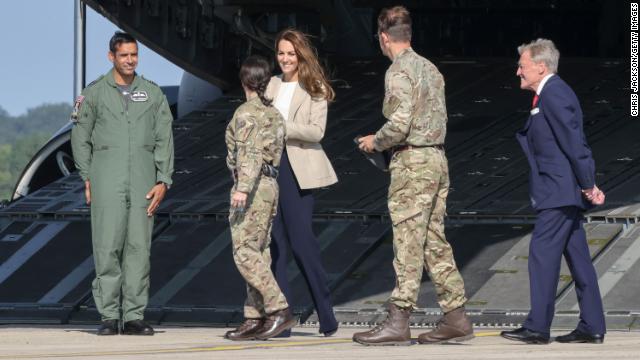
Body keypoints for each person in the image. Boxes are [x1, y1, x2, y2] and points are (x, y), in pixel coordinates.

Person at [354, 6, 473, 345]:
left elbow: (400, 123)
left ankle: (399, 318)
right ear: (409, 35)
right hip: (437, 158)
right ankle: (456, 316)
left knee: (407, 240)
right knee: (434, 240)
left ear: (383, 37)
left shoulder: (398, 71)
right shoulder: (431, 69)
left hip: (413, 164)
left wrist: (375, 141)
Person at [501, 39, 606, 344]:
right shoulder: (546, 95)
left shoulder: (555, 93)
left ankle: (537, 326)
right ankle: (593, 325)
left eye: (522, 65)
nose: (518, 71)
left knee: (542, 254)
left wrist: (589, 183)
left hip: (558, 191)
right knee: (578, 259)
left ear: (541, 66)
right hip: (561, 189)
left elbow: (575, 143)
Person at [70, 31, 174, 336]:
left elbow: (163, 139)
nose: (130, 60)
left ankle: (133, 316)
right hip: (106, 178)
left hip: (143, 179)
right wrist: (87, 176)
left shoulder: (153, 94)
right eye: (124, 55)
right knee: (107, 246)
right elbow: (80, 138)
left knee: (139, 248)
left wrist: (163, 179)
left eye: (134, 55)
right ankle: (108, 316)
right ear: (111, 56)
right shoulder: (93, 94)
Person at [264, 28, 339, 337]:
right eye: (281, 53)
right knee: (276, 246)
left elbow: (316, 131)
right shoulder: (270, 85)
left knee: (301, 243)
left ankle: (326, 313)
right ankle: (282, 318)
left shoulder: (314, 86)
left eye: (290, 54)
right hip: (270, 169)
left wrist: (281, 126)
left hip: (298, 171)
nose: (285, 59)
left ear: (300, 55)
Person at [224, 55, 296, 341]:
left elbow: (250, 154)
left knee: (244, 251)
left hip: (252, 186)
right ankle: (255, 316)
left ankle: (279, 308)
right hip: (269, 185)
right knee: (260, 252)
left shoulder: (246, 114)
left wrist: (242, 188)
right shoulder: (274, 114)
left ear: (244, 81)